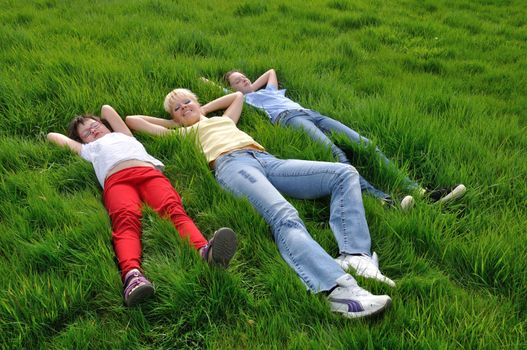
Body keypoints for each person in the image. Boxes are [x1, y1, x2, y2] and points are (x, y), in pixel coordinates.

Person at [126, 89, 394, 319]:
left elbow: (237, 95)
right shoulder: (182, 133)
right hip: (232, 165)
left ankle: (355, 256)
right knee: (284, 215)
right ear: (172, 117)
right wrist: (177, 122)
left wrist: (199, 109)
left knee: (343, 173)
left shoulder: (224, 120)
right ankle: (337, 291)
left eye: (188, 102)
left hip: (267, 159)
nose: (184, 107)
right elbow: (132, 120)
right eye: (177, 107)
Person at [46, 105, 238, 307]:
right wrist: (81, 133)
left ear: (105, 125)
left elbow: (106, 109)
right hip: (117, 182)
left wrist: (93, 123)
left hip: (149, 175)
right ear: (82, 141)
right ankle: (132, 277)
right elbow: (52, 136)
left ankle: (205, 252)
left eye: (95, 125)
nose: (93, 131)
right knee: (125, 221)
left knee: (173, 210)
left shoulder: (124, 134)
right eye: (86, 132)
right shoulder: (88, 149)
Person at [221, 68, 466, 209]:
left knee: (365, 144)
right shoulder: (246, 100)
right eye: (236, 81)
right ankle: (384, 201)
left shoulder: (268, 90)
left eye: (244, 76)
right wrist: (238, 89)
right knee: (337, 153)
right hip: (289, 119)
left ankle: (422, 192)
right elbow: (226, 95)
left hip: (311, 113)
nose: (242, 80)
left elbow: (271, 71)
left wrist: (251, 82)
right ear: (232, 89)